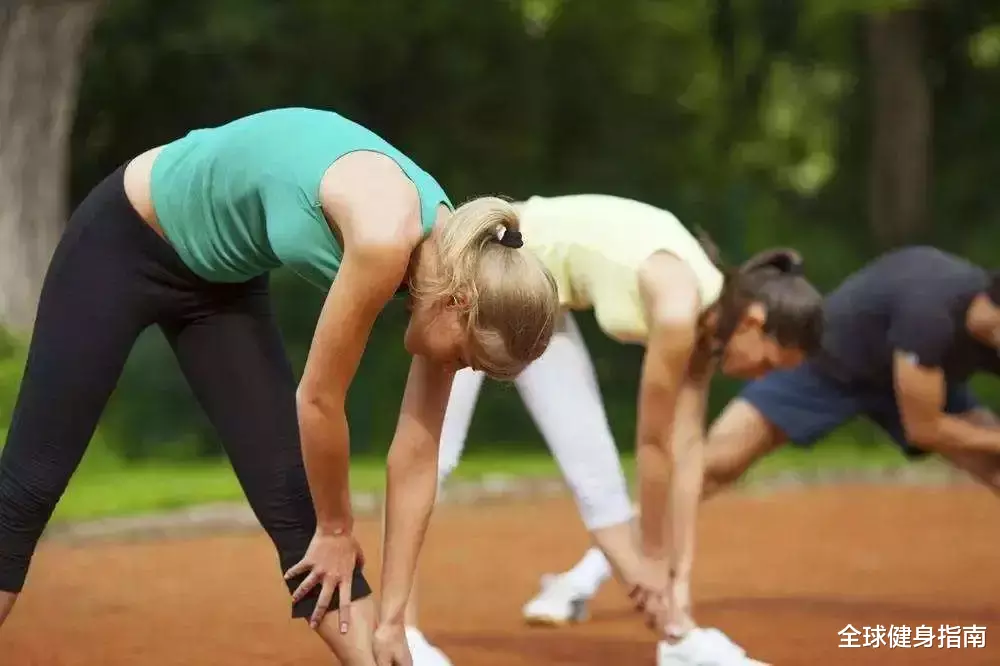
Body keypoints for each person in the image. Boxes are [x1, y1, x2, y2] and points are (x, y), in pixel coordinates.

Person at [0, 107, 559, 666]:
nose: (457, 369)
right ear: (459, 304)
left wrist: (395, 622)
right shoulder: (386, 239)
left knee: (301, 517)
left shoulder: (457, 264)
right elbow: (318, 400)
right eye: (465, 358)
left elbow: (415, 455)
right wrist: (338, 528)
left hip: (221, 287)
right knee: (28, 488)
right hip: (126, 239)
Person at [399, 194, 824, 666]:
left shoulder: (706, 328)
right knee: (432, 455)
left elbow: (687, 454)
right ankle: (402, 634)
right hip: (489, 279)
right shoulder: (679, 308)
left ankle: (678, 634)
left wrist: (678, 578)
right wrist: (654, 556)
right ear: (753, 322)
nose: (761, 378)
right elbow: (653, 445)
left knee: (599, 484)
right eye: (769, 362)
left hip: (544, 301)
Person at [528, 245, 1000, 651]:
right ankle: (582, 577)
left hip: (913, 377)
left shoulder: (987, 329)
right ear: (988, 303)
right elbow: (925, 427)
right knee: (711, 466)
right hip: (822, 365)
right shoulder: (931, 308)